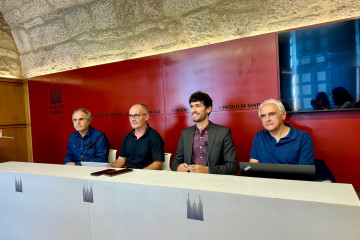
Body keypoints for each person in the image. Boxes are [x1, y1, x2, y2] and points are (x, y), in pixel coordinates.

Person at [171, 91, 238, 174]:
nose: (193, 110)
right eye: (191, 106)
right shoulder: (185, 134)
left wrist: (207, 170)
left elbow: (232, 166)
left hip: (214, 183)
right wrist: (178, 167)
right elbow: (175, 161)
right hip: (190, 182)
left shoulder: (223, 132)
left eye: (197, 106)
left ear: (208, 109)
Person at [250, 99, 314, 165]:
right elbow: (253, 167)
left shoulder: (303, 137)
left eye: (272, 114)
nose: (267, 119)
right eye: (263, 116)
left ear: (283, 115)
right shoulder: (259, 136)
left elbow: (305, 172)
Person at [111, 104, 164, 169]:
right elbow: (121, 160)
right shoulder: (127, 137)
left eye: (136, 116)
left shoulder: (154, 137)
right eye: (130, 116)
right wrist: (110, 169)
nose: (132, 119)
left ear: (146, 117)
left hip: (147, 176)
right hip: (129, 174)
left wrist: (140, 174)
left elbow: (158, 163)